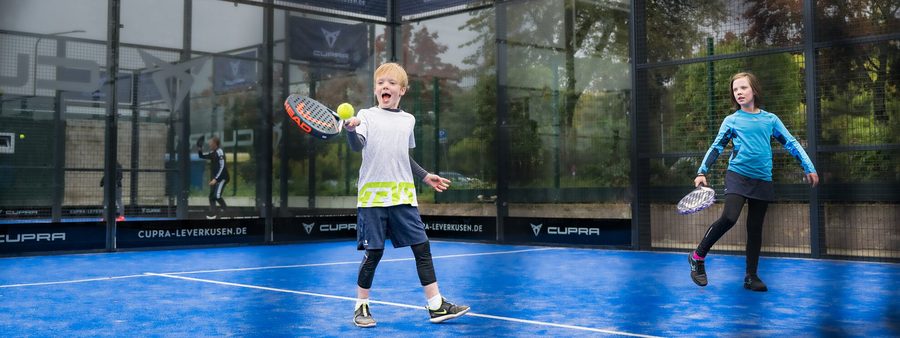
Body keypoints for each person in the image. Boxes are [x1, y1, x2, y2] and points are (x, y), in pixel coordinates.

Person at [344, 63, 470, 327]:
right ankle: (361, 307)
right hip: (373, 200)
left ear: (402, 90)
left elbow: (402, 155)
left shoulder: (408, 120)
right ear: (376, 90)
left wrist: (425, 175)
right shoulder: (365, 115)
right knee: (374, 253)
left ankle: (436, 306)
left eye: (390, 83)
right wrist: (350, 129)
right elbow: (358, 145)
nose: (384, 87)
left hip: (403, 198)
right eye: (380, 83)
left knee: (422, 247)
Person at [688, 72, 819, 291]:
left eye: (743, 88)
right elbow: (716, 146)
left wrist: (809, 167)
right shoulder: (732, 121)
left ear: (754, 90)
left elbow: (791, 143)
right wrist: (702, 172)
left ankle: (751, 276)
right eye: (735, 89)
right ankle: (697, 257)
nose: (738, 92)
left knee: (755, 228)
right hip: (737, 175)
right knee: (729, 217)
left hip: (763, 179)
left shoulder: (770, 119)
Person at [198, 136, 229, 219]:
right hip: (215, 179)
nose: (209, 144)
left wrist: (216, 179)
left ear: (215, 143)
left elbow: (222, 167)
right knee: (211, 196)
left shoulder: (220, 152)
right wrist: (199, 148)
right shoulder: (213, 153)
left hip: (222, 178)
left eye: (210, 142)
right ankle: (213, 213)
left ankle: (226, 212)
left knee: (217, 196)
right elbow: (201, 156)